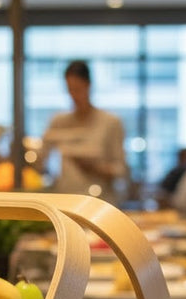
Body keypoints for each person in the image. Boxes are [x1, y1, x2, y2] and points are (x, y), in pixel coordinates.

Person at [41, 60, 127, 206]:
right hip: (66, 202)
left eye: (78, 89)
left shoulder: (110, 122)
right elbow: (42, 160)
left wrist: (94, 167)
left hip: (100, 204)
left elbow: (121, 170)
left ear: (88, 86)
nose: (74, 95)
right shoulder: (59, 122)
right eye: (70, 89)